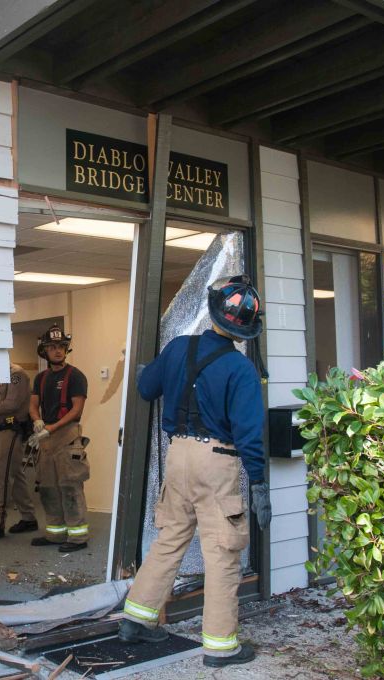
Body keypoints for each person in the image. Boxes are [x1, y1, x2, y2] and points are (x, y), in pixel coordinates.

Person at [118, 275, 272, 668]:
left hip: (179, 456)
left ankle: (136, 618)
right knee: (222, 551)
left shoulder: (177, 349)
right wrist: (258, 484)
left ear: (213, 309)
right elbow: (250, 434)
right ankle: (221, 648)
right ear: (246, 330)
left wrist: (148, 370)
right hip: (216, 461)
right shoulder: (241, 370)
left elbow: (146, 387)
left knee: (170, 537)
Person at [26, 325, 90, 553]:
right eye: (52, 347)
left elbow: (76, 409)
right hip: (46, 440)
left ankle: (77, 538)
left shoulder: (76, 376)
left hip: (67, 437)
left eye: (61, 347)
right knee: (48, 488)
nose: (57, 351)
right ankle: (55, 534)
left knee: (70, 486)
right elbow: (33, 405)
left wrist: (51, 428)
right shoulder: (40, 378)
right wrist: (36, 421)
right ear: (45, 351)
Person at [0, 364, 37, 541]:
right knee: (16, 474)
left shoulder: (16, 374)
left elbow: (12, 404)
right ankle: (28, 517)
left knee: (1, 476)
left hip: (10, 429)